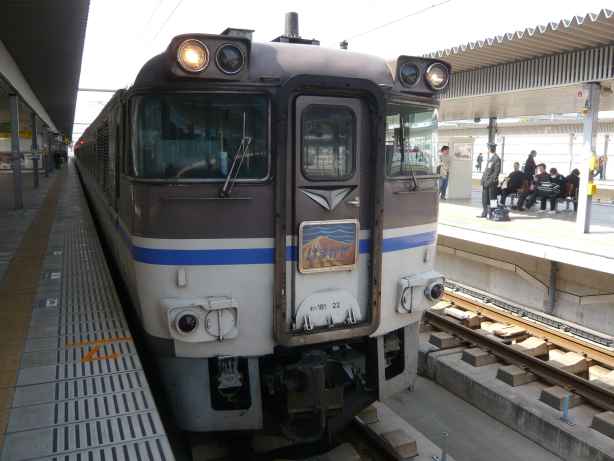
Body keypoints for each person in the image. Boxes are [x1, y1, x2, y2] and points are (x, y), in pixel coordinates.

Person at [478, 144, 501, 218]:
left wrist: (489, 182)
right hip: (486, 182)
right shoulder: (490, 158)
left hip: (492, 183)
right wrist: (482, 180)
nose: (489, 149)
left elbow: (496, 173)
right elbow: (486, 171)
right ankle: (485, 213)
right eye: (488, 148)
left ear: (492, 148)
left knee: (493, 199)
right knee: (484, 199)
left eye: (489, 148)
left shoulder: (497, 158)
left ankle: (493, 213)